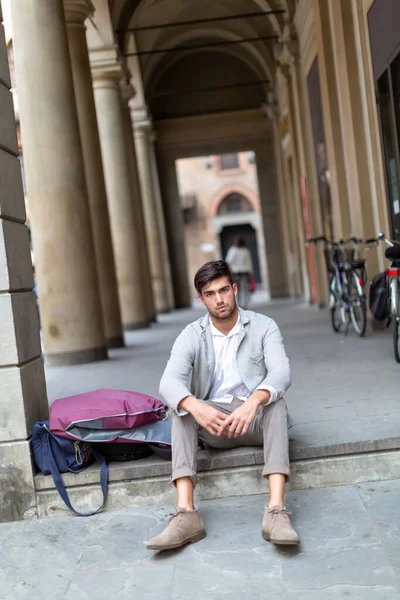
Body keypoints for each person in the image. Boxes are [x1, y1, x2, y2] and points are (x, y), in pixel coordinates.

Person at [147, 260, 298, 551]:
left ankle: (276, 511)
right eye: (210, 293)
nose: (219, 299)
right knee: (180, 410)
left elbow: (281, 373)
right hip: (213, 424)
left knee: (276, 404)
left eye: (224, 290)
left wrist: (254, 401)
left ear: (235, 289)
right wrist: (194, 404)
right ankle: (186, 515)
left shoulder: (264, 326)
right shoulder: (192, 334)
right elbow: (169, 382)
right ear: (201, 298)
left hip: (253, 420)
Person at [225, 235, 253, 308]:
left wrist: (228, 272)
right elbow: (249, 263)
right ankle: (244, 304)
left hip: (235, 272)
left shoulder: (232, 250)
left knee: (236, 289)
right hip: (244, 272)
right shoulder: (246, 250)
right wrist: (251, 273)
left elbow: (228, 261)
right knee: (244, 288)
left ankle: (237, 304)